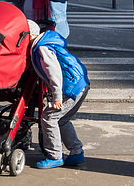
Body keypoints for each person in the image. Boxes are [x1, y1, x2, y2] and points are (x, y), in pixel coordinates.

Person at [28, 20, 89, 169]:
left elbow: (54, 73)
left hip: (69, 88)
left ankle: (55, 156)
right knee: (62, 119)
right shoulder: (47, 43)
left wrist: (57, 97)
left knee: (49, 117)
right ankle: (76, 152)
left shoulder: (42, 48)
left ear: (28, 35)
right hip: (81, 84)